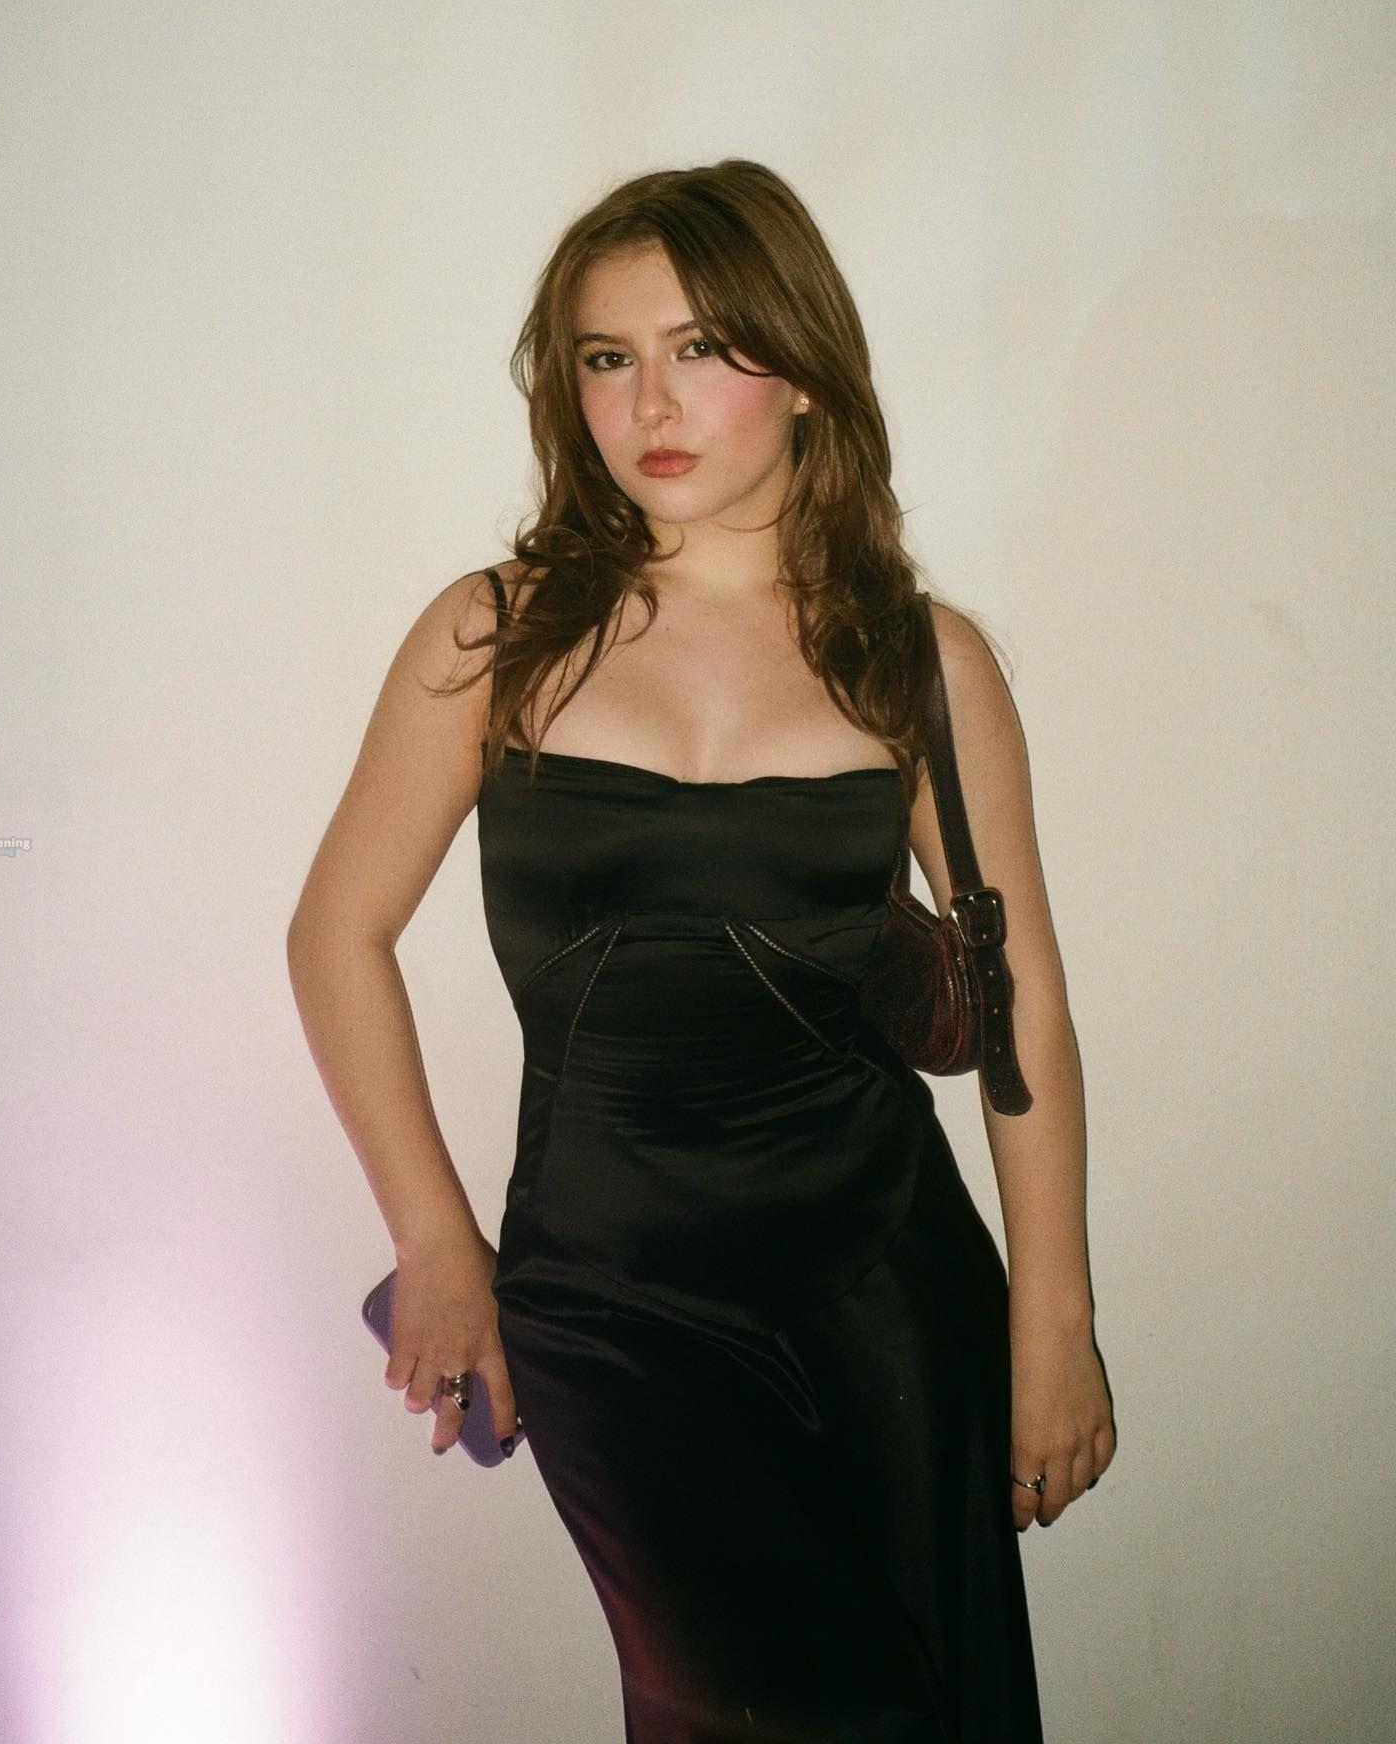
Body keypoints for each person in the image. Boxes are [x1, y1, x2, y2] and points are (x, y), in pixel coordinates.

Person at [287, 158, 1116, 1743]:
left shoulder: (916, 660)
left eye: (700, 350)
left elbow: (1026, 1018)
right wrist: (438, 1239)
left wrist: (1053, 1325)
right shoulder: (498, 633)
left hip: (886, 1286)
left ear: (799, 369)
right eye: (609, 358)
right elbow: (338, 935)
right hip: (613, 1303)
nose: (649, 404)